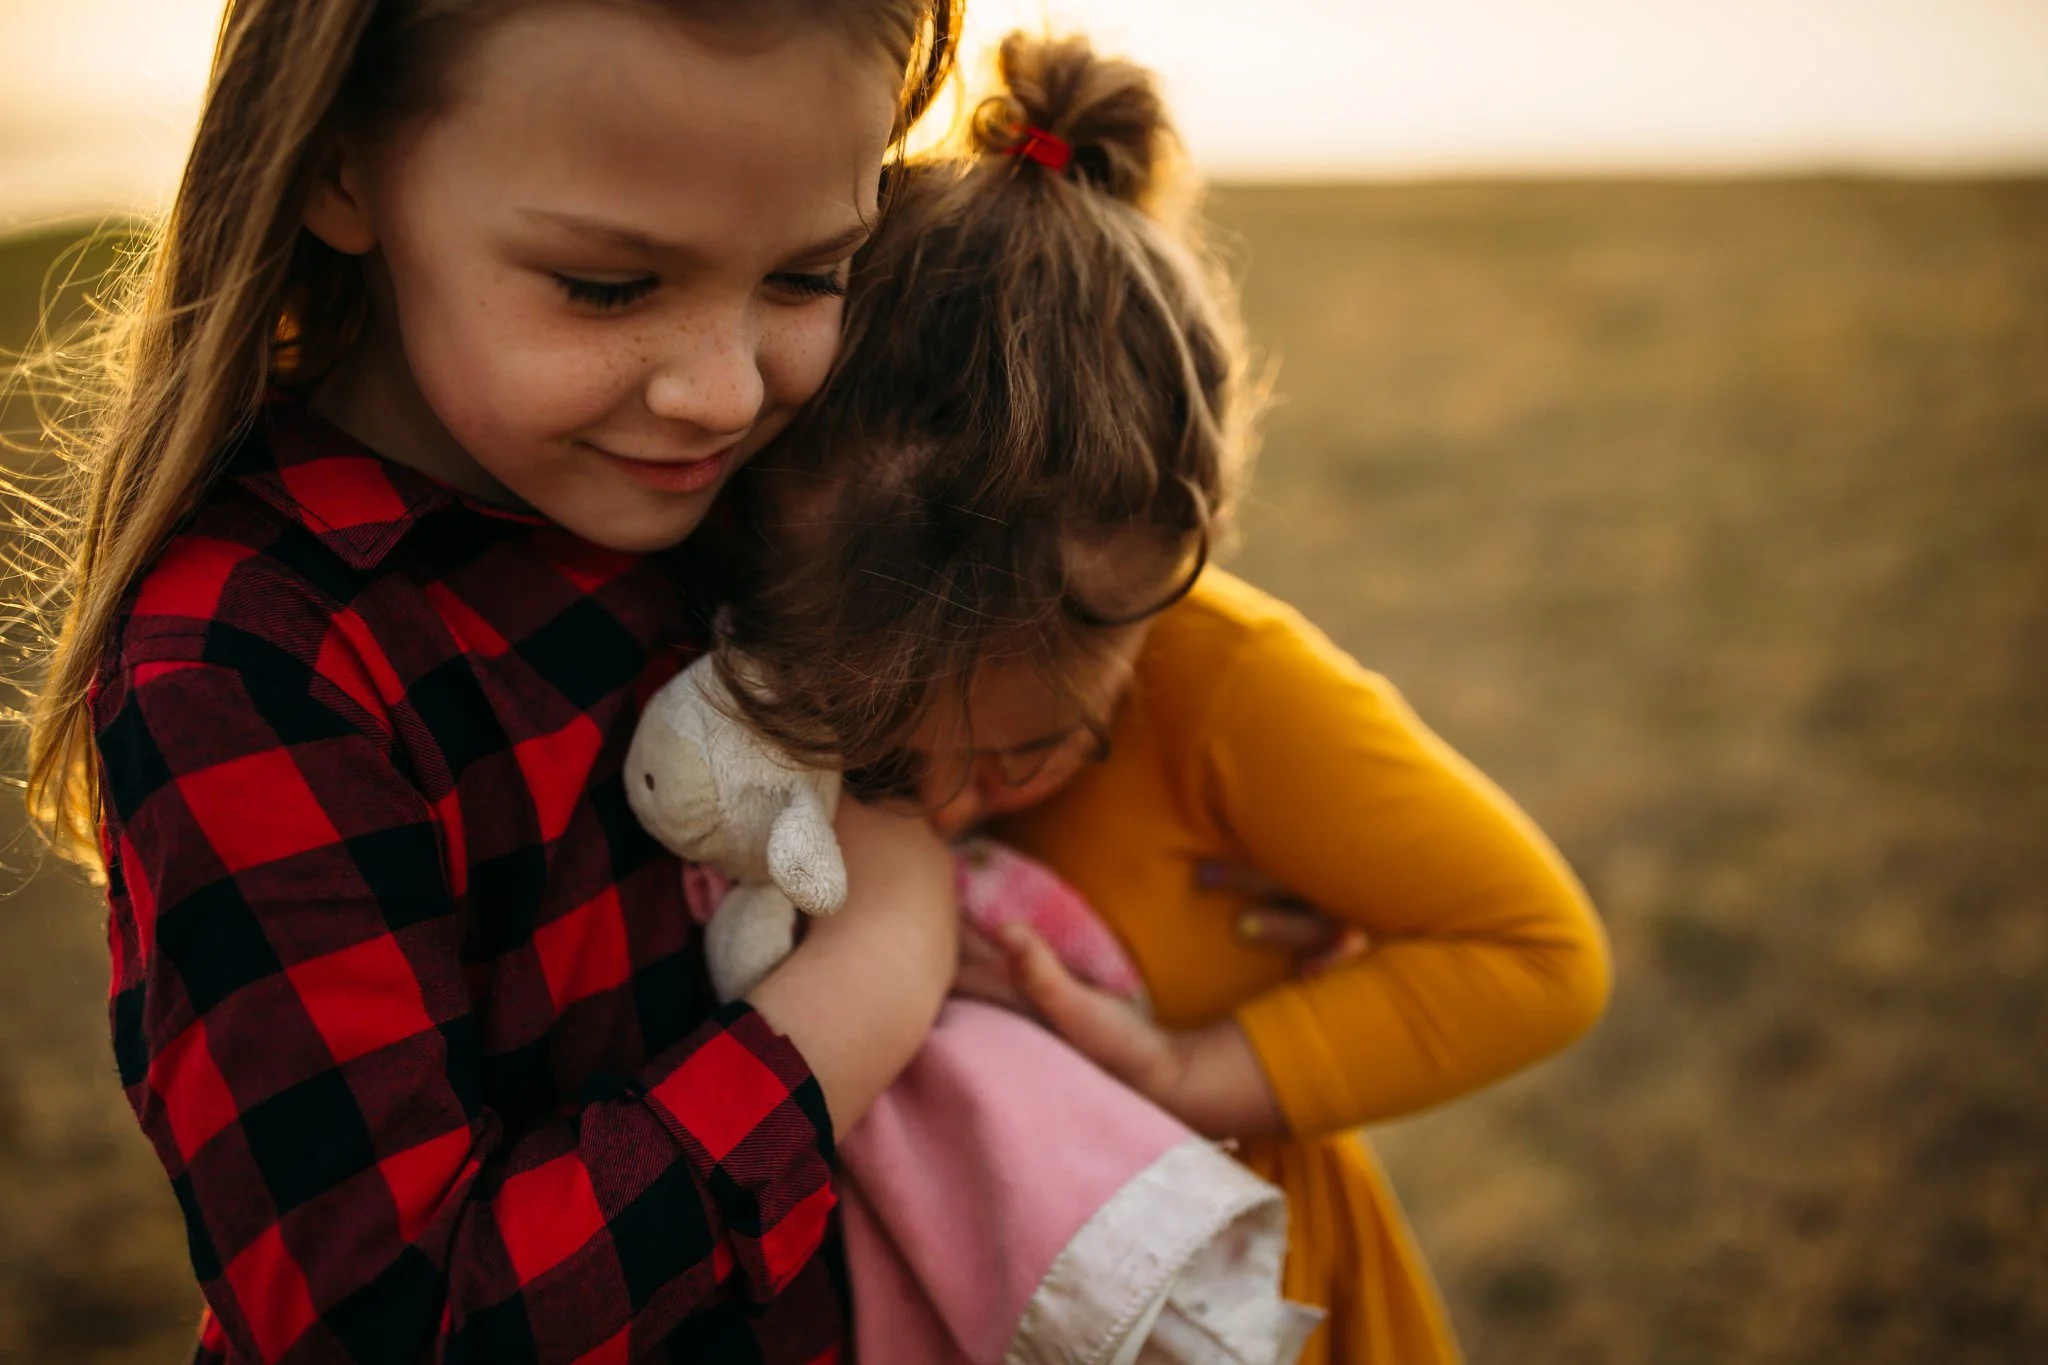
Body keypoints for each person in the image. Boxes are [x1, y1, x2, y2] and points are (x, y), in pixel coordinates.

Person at [18, 1, 968, 1360]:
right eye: (607, 286)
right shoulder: (249, 661)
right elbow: (404, 1325)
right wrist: (869, 978)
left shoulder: (774, 490)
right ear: (341, 168)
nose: (720, 390)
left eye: (808, 276)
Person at [712, 32, 1615, 1365]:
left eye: (1027, 751)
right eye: (883, 755)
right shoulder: (757, 575)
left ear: (1149, 609)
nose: (947, 803)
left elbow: (1541, 958)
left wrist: (1192, 1067)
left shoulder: (1231, 689)